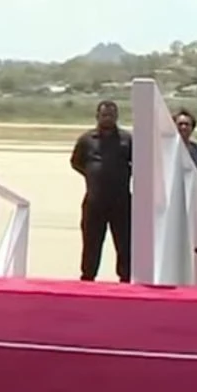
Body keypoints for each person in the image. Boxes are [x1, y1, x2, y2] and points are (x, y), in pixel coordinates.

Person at [69, 100, 134, 282]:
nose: (108, 118)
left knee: (124, 244)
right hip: (94, 203)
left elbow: (137, 163)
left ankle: (125, 279)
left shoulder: (127, 140)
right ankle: (88, 279)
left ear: (117, 117)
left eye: (111, 115)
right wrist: (93, 174)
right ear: (97, 116)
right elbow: (76, 162)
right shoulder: (86, 140)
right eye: (104, 115)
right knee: (91, 243)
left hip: (121, 203)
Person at [176, 107, 197, 186]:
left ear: (192, 128)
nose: (183, 127)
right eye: (180, 124)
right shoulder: (166, 151)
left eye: (187, 124)